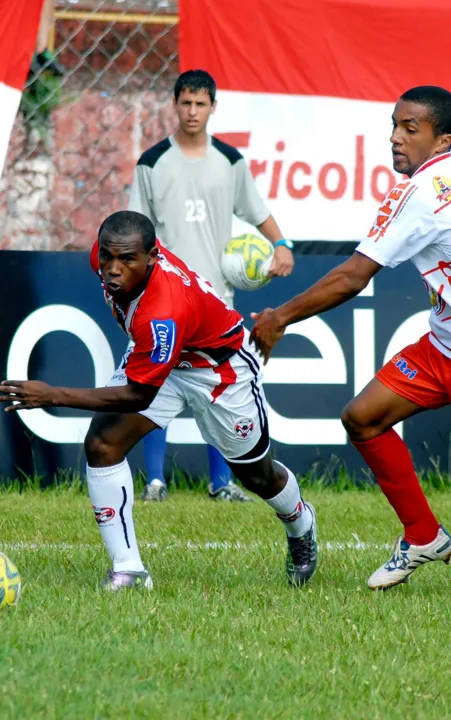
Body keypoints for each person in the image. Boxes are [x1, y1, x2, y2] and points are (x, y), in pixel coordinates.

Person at [250, 86, 451, 600]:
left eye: (409, 129)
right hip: (447, 344)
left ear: (441, 140)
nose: (395, 138)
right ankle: (423, 536)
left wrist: (280, 318)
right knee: (363, 417)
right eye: (394, 126)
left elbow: (353, 276)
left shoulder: (419, 195)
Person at [0, 210, 317, 590]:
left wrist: (51, 395)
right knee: (103, 443)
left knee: (256, 476)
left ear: (151, 258)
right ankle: (129, 570)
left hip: (218, 370)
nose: (113, 269)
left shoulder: (163, 311)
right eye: (107, 258)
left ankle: (301, 523)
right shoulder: (112, 256)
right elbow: (145, 377)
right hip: (162, 357)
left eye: (127, 260)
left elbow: (137, 395)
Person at [128, 68, 295, 503]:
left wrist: (280, 244)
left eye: (201, 103)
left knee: (218, 389)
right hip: (162, 298)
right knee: (154, 380)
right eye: (185, 102)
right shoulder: (151, 163)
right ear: (174, 104)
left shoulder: (230, 161)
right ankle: (155, 480)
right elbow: (136, 230)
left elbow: (256, 209)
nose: (192, 111)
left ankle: (221, 483)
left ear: (213, 107)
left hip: (215, 300)